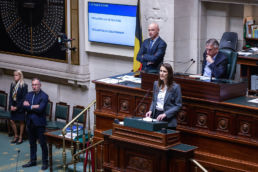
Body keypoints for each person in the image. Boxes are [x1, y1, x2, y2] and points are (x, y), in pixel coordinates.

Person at [22, 78, 49, 170]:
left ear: (40, 85)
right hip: (29, 122)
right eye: (33, 85)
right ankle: (32, 161)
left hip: (39, 124)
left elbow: (40, 109)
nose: (34, 86)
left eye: (36, 85)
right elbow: (23, 107)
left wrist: (29, 106)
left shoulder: (44, 96)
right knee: (32, 144)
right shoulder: (28, 94)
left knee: (42, 144)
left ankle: (45, 162)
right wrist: (34, 106)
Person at [146, 63, 182, 130]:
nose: (162, 73)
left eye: (164, 71)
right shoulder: (156, 84)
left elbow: (178, 105)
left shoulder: (175, 87)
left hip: (168, 120)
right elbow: (154, 100)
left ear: (169, 74)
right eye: (161, 71)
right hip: (156, 116)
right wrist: (150, 110)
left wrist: (165, 114)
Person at [9, 70, 28, 144]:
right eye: (14, 75)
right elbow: (11, 96)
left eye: (16, 75)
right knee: (12, 121)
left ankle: (20, 137)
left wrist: (17, 107)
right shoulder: (12, 84)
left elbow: (24, 98)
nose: (15, 77)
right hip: (13, 106)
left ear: (20, 76)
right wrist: (11, 105)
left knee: (21, 122)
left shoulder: (24, 85)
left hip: (20, 107)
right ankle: (16, 136)